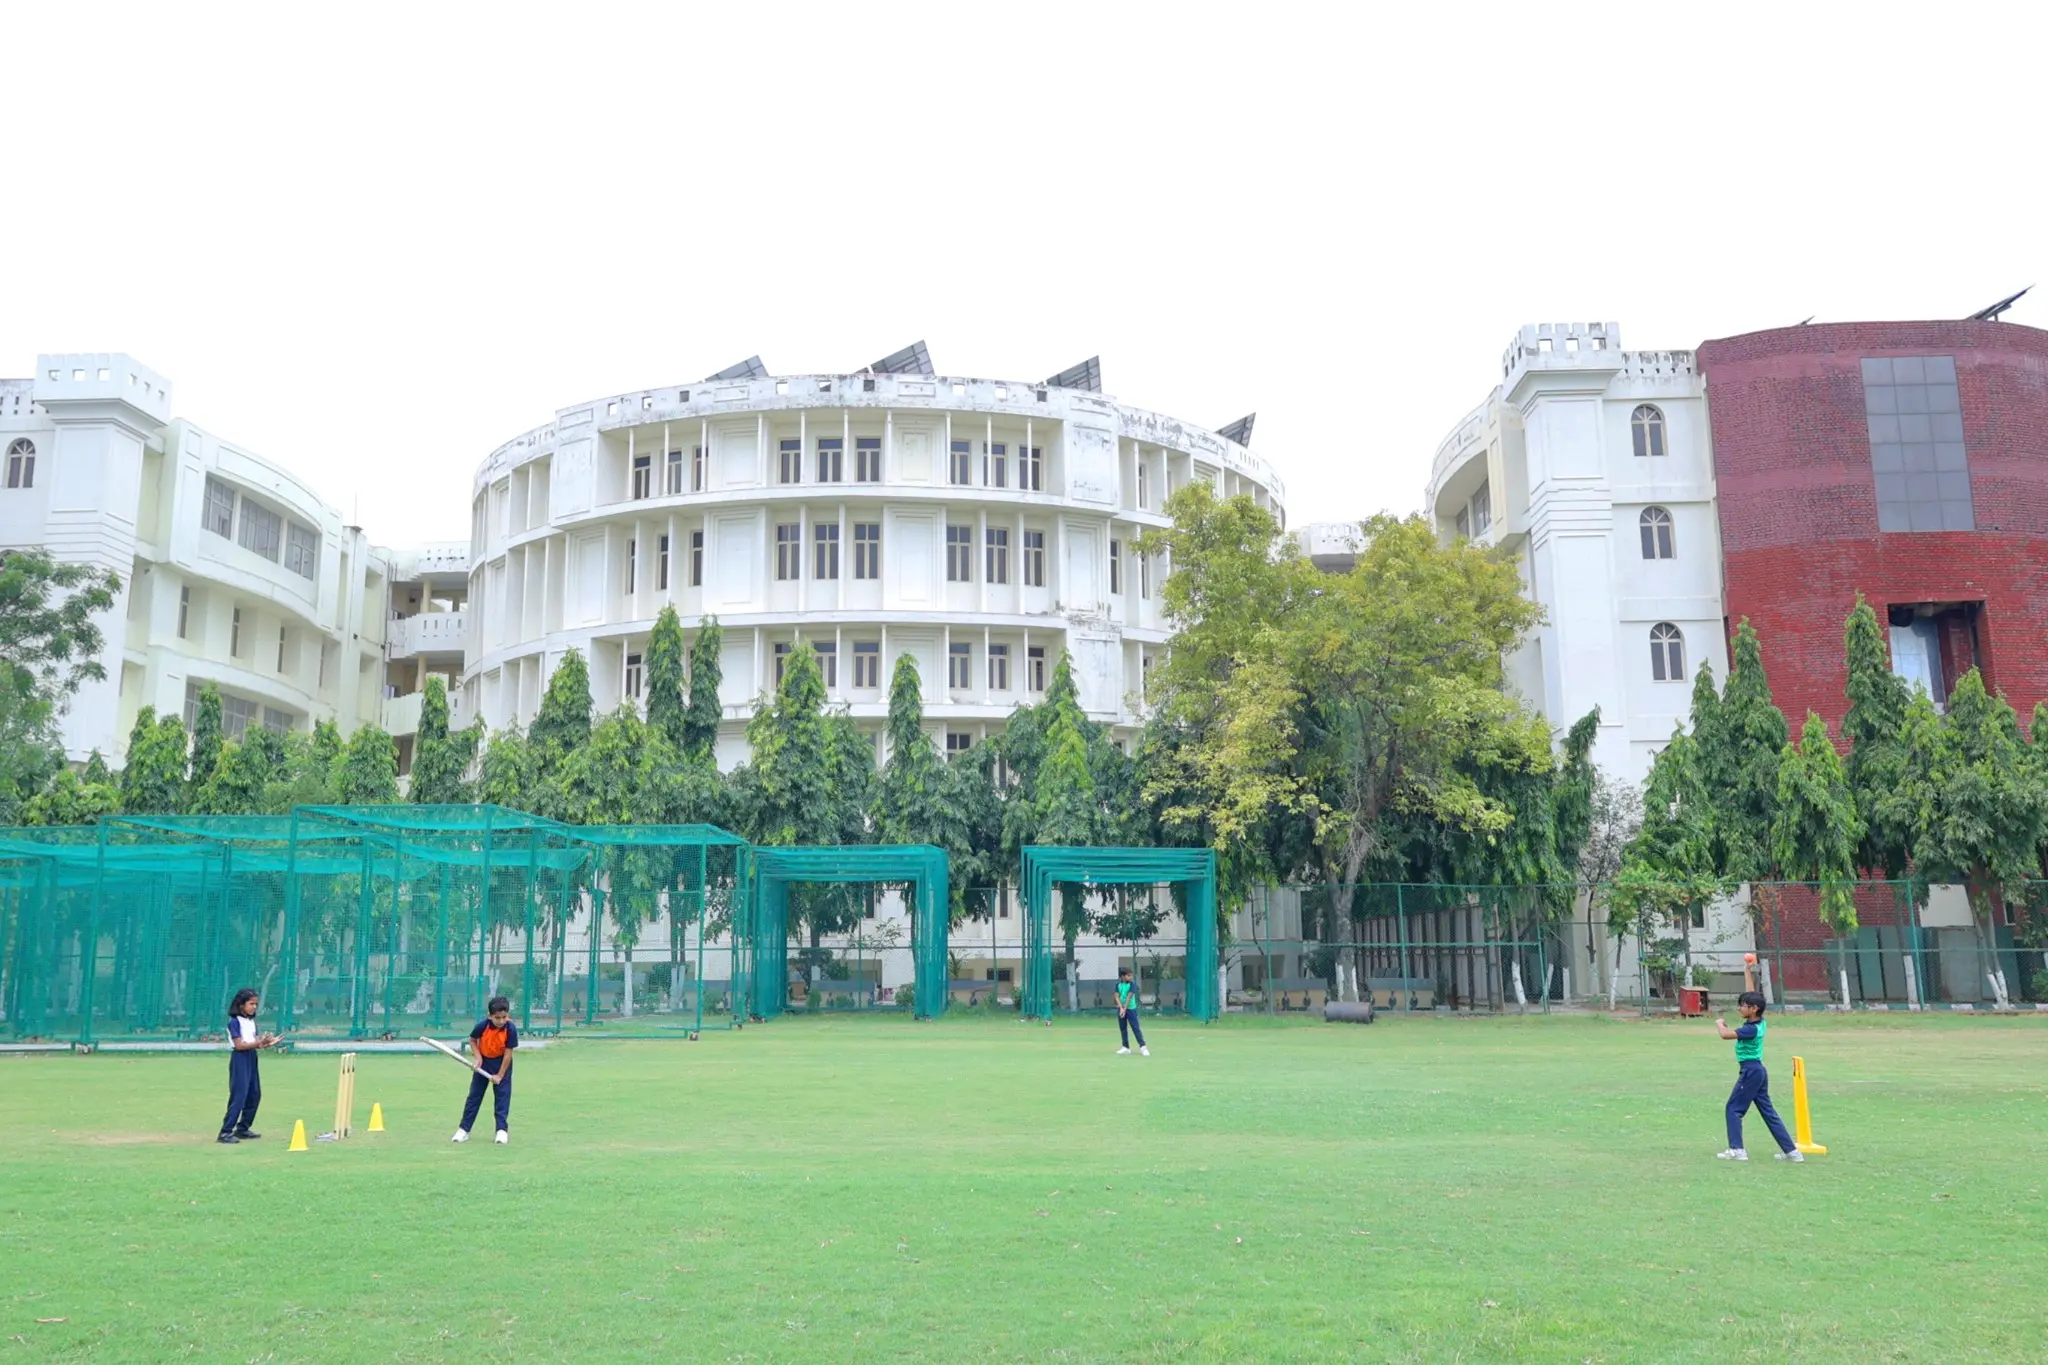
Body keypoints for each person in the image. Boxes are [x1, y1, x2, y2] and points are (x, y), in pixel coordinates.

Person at [1714, 960, 1799, 1162]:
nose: (1740, 1008)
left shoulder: (1750, 1029)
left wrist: (1719, 1023)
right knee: (1768, 1112)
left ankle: (1737, 1150)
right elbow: (1752, 994)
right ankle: (1792, 1152)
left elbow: (1725, 1035)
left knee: (1733, 1109)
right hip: (1758, 1071)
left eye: (1743, 1006)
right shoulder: (1760, 1021)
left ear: (1753, 1009)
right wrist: (1747, 971)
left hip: (1750, 1072)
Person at [452, 996, 518, 1145]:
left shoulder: (510, 1029)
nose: (501, 1021)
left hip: (502, 1064)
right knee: (474, 1097)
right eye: (497, 1018)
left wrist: (500, 1075)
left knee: (502, 1098)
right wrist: (478, 1058)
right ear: (490, 1016)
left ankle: (501, 1131)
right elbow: (472, 1040)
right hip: (484, 1062)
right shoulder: (482, 1026)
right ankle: (464, 1130)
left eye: (504, 1017)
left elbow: (508, 1054)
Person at [218, 987, 279, 1144]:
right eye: (251, 1004)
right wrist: (259, 1043)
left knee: (254, 1094)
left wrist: (267, 1042)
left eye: (256, 1004)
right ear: (241, 1005)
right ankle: (225, 1132)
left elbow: (255, 1043)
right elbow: (239, 1045)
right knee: (239, 1096)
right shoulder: (234, 1022)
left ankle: (242, 1128)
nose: (254, 1007)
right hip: (240, 1059)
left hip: (251, 1057)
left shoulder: (251, 1022)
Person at [1115, 967, 1149, 1057]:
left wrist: (1124, 1009)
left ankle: (1143, 1047)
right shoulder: (1118, 984)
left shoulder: (1132, 984)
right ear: (1123, 976)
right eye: (1128, 975)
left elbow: (1129, 997)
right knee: (1123, 1028)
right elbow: (1116, 996)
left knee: (1135, 1027)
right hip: (1121, 1008)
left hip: (1130, 1009)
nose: (1130, 977)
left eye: (1131, 975)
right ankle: (1125, 1047)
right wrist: (1121, 1008)